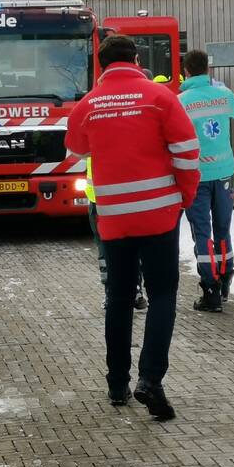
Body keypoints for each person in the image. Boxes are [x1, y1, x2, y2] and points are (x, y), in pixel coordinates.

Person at [65, 35, 200, 421]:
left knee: (119, 297)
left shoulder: (89, 104)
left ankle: (116, 383)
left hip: (114, 216)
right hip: (159, 212)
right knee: (162, 294)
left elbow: (75, 147)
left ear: (102, 65)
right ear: (137, 59)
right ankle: (151, 379)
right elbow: (187, 152)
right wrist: (184, 197)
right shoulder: (159, 97)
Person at [178, 50, 234, 313]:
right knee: (223, 227)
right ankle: (226, 273)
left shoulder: (182, 101)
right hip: (224, 173)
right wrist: (225, 91)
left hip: (196, 176)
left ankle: (211, 290)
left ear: (186, 71)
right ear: (207, 69)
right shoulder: (221, 95)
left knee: (202, 232)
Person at [87, 156, 147, 311]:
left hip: (100, 200)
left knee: (105, 249)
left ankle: (111, 292)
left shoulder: (93, 132)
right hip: (124, 197)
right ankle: (135, 290)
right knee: (132, 244)